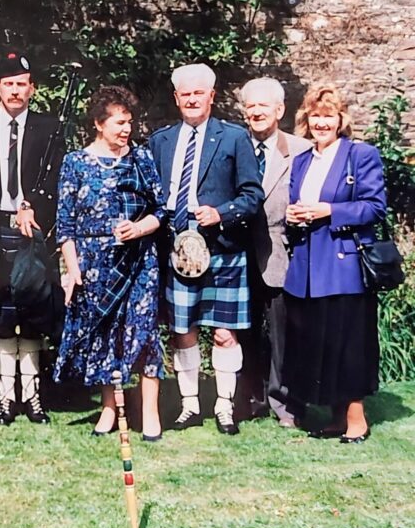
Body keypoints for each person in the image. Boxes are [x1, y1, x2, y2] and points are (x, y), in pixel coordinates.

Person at [149, 63, 263, 435]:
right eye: (186, 94)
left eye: (200, 93)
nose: (192, 99)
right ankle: (189, 405)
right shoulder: (161, 140)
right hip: (177, 249)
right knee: (183, 330)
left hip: (223, 249)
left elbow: (252, 195)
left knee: (225, 332)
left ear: (212, 97)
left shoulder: (233, 138)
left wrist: (222, 213)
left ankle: (225, 406)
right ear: (176, 98)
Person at [54, 86, 165, 440]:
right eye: (119, 123)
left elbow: (162, 210)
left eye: (128, 122)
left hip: (138, 261)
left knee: (144, 332)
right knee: (104, 336)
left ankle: (150, 414)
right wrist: (73, 271)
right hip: (93, 264)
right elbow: (65, 224)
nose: (125, 130)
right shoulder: (76, 162)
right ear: (98, 124)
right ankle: (109, 411)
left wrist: (139, 228)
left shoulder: (142, 159)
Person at [283, 84, 387, 444]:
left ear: (341, 119)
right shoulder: (301, 160)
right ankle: (335, 417)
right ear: (306, 120)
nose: (322, 123)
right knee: (320, 345)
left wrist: (329, 210)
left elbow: (374, 207)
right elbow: (297, 205)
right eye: (316, 116)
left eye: (329, 116)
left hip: (344, 268)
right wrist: (294, 215)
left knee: (346, 345)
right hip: (308, 269)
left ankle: (356, 420)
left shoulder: (361, 155)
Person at [0, 51, 62, 425]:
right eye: (8, 84)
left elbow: (57, 182)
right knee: (1, 315)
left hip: (32, 231)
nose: (15, 91)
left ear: (32, 89)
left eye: (21, 84)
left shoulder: (49, 129)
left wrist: (36, 211)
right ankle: (4, 398)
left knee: (29, 315)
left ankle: (32, 398)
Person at [238, 77, 311, 429]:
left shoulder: (301, 150)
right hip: (239, 255)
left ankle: (285, 402)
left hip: (283, 254)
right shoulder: (235, 145)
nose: (256, 113)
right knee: (246, 330)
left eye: (262, 106)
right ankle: (251, 398)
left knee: (284, 334)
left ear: (279, 111)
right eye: (250, 107)